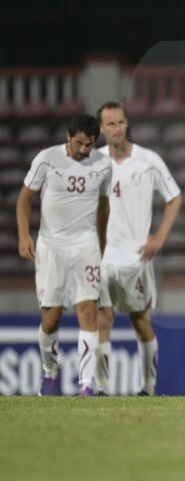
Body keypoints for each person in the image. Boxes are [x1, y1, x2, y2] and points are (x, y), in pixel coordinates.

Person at [16, 114, 112, 397]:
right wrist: (24, 235)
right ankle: (49, 372)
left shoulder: (103, 165)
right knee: (51, 319)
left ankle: (86, 385)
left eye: (90, 145)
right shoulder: (47, 159)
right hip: (51, 247)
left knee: (87, 310)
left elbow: (103, 208)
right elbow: (24, 199)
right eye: (80, 143)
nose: (84, 150)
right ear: (68, 136)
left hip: (85, 246)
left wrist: (101, 245)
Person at [94, 102, 183, 397]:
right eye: (110, 124)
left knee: (140, 322)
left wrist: (159, 236)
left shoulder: (148, 160)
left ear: (127, 124)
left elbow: (175, 197)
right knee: (102, 320)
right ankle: (102, 388)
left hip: (137, 257)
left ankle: (148, 386)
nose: (117, 128)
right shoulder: (95, 161)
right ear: (102, 129)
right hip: (103, 258)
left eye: (120, 122)